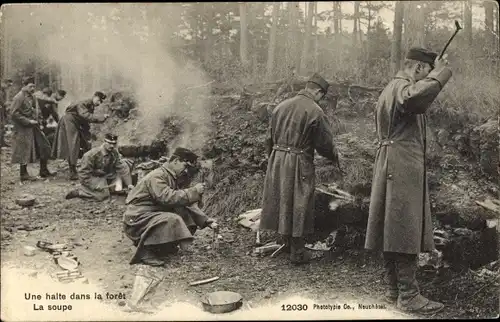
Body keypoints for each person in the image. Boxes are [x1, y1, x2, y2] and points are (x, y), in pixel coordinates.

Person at [365, 47, 452, 315]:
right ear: (417, 69)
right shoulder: (402, 88)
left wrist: (434, 72)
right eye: (425, 73)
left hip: (392, 162)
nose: (425, 79)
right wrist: (441, 74)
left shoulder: (391, 87)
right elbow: (412, 99)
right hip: (401, 164)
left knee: (394, 227)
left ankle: (395, 291)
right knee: (404, 227)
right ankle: (408, 296)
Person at [123, 147, 218, 310]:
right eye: (184, 165)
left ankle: (164, 246)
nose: (185, 170)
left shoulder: (171, 176)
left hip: (149, 214)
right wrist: (193, 191)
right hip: (137, 218)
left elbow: (184, 202)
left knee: (182, 212)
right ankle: (148, 251)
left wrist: (206, 220)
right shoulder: (158, 176)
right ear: (174, 161)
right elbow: (167, 198)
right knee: (172, 218)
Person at [259, 73, 340, 265]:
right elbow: (325, 144)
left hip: (277, 159)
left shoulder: (281, 106)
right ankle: (297, 252)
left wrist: (273, 159)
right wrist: (335, 157)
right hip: (298, 161)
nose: (321, 99)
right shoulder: (315, 111)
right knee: (299, 201)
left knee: (282, 199)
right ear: (318, 92)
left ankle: (286, 242)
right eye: (322, 96)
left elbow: (268, 138)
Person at [52, 91, 109, 180]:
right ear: (94, 96)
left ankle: (89, 168)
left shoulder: (90, 105)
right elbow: (86, 116)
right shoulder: (83, 103)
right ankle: (72, 171)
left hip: (76, 123)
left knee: (86, 143)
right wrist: (101, 117)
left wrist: (88, 134)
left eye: (101, 102)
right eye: (99, 100)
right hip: (69, 121)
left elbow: (85, 121)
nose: (99, 103)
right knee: (73, 145)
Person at [10, 76, 55, 181]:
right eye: (30, 86)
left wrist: (40, 121)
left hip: (35, 126)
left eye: (34, 86)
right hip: (23, 128)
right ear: (24, 86)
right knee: (24, 150)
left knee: (44, 145)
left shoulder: (33, 96)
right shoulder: (19, 97)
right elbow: (13, 113)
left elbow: (37, 110)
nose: (33, 88)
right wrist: (28, 121)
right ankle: (23, 174)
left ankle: (43, 170)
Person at [65, 133, 134, 201]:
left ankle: (108, 189)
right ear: (104, 142)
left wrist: (129, 184)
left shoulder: (114, 153)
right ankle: (81, 192)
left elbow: (122, 168)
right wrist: (94, 186)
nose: (112, 146)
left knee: (119, 185)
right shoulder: (91, 155)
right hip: (93, 178)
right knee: (102, 196)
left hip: (107, 176)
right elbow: (83, 174)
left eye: (114, 143)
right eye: (109, 143)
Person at [0, 78, 13, 147]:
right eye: (7, 85)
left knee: (2, 127)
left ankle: (2, 142)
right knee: (1, 127)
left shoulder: (3, 91)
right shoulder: (1, 92)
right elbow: (2, 103)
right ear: (4, 83)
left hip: (2, 111)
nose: (8, 87)